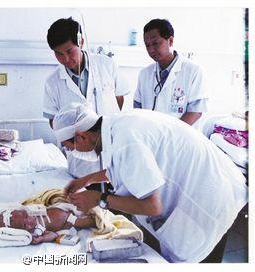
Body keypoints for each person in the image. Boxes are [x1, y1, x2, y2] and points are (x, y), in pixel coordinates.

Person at [52, 104, 247, 263]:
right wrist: (86, 180)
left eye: (70, 148)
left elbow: (152, 206)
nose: (72, 152)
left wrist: (100, 199)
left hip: (211, 197)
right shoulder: (118, 126)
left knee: (202, 258)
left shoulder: (126, 141)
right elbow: (124, 169)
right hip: (207, 184)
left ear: (82, 136)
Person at [44, 17, 129, 179]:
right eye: (59, 54)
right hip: (81, 162)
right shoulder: (52, 82)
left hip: (111, 150)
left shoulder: (106, 65)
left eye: (69, 51)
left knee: (114, 194)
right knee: (84, 200)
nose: (66, 59)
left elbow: (119, 100)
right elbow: (53, 121)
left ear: (81, 42)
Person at [134, 19, 208, 126]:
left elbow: (195, 111)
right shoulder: (144, 74)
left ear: (170, 41)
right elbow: (138, 107)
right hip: (150, 137)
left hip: (181, 138)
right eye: (147, 45)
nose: (151, 50)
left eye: (155, 43)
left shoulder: (193, 71)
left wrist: (170, 135)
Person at [0, 208, 95, 245]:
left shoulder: (31, 212)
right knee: (89, 221)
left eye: (26, 216)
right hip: (69, 221)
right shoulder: (36, 232)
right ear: (21, 231)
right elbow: (53, 235)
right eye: (25, 224)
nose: (30, 220)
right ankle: (97, 221)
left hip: (65, 209)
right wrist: (42, 238)